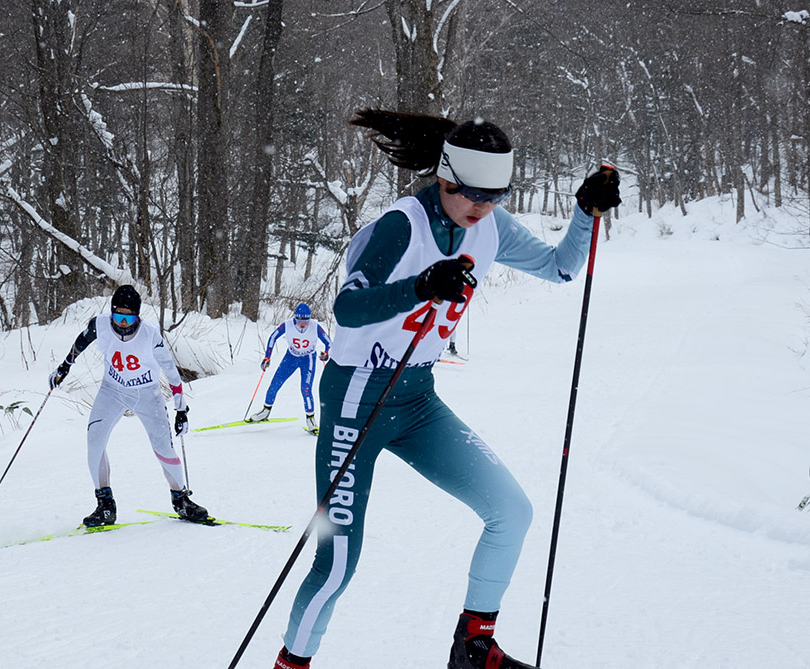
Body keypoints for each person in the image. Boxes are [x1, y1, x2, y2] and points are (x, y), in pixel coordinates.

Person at [272, 109, 620, 669]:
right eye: (474, 194)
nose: (484, 207)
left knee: (512, 510)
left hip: (416, 399)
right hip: (356, 402)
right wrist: (418, 286)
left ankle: (473, 647)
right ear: (445, 177)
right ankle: (293, 663)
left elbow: (559, 268)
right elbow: (348, 307)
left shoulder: (490, 226)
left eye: (497, 195)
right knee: (337, 563)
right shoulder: (399, 225)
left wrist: (584, 212)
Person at [49, 284, 209, 527]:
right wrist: (64, 366)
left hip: (146, 394)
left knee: (164, 448)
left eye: (129, 317)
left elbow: (171, 371)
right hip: (112, 390)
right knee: (94, 440)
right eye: (118, 316)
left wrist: (181, 409)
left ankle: (181, 500)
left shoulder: (150, 333)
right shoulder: (101, 325)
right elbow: (80, 342)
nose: (122, 323)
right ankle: (105, 505)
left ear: (138, 315)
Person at [246, 303, 332, 434]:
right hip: (290, 358)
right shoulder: (288, 324)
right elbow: (273, 337)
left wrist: (326, 354)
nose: (302, 324)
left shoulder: (315, 326)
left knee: (306, 388)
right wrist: (267, 357)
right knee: (275, 383)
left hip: (308, 359)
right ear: (295, 318)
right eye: (299, 320)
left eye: (305, 321)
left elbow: (329, 342)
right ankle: (265, 411)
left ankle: (310, 419)